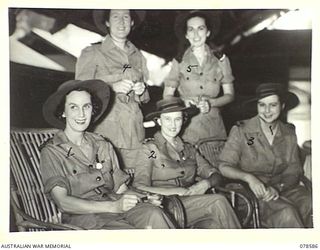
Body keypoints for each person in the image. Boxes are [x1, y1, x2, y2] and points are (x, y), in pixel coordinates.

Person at [40, 79, 175, 229]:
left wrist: (145, 198)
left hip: (116, 209)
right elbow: (63, 203)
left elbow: (121, 189)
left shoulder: (103, 144)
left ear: (93, 109)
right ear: (63, 112)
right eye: (73, 107)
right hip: (86, 220)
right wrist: (113, 207)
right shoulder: (52, 151)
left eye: (86, 106)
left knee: (155, 213)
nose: (81, 114)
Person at [133, 97, 241, 229]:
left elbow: (216, 175)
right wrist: (176, 192)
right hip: (164, 206)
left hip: (189, 205)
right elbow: (139, 187)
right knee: (218, 201)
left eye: (177, 119)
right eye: (167, 119)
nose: (173, 125)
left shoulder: (189, 149)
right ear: (159, 121)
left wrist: (205, 183)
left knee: (214, 225)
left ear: (183, 120)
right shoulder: (150, 149)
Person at [218, 83, 312, 228]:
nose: (267, 111)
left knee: (311, 203)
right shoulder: (241, 130)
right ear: (257, 106)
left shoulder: (288, 132)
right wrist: (249, 178)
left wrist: (278, 187)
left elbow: (294, 170)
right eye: (262, 105)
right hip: (250, 192)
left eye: (273, 105)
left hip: (283, 188)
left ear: (282, 106)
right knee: (286, 213)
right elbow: (224, 166)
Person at [75, 9, 149, 170]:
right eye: (115, 16)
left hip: (135, 133)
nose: (121, 22)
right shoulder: (93, 52)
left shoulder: (139, 57)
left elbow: (145, 99)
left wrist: (141, 90)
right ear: (107, 22)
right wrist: (110, 87)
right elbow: (78, 91)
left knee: (137, 182)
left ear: (132, 22)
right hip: (106, 132)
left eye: (126, 17)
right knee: (108, 184)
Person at [163, 10, 235, 145]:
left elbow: (230, 95)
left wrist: (211, 103)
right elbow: (167, 96)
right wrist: (183, 102)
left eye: (200, 28)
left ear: (208, 32)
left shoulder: (221, 61)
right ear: (186, 34)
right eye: (191, 29)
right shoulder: (178, 62)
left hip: (215, 129)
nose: (196, 34)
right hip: (188, 128)